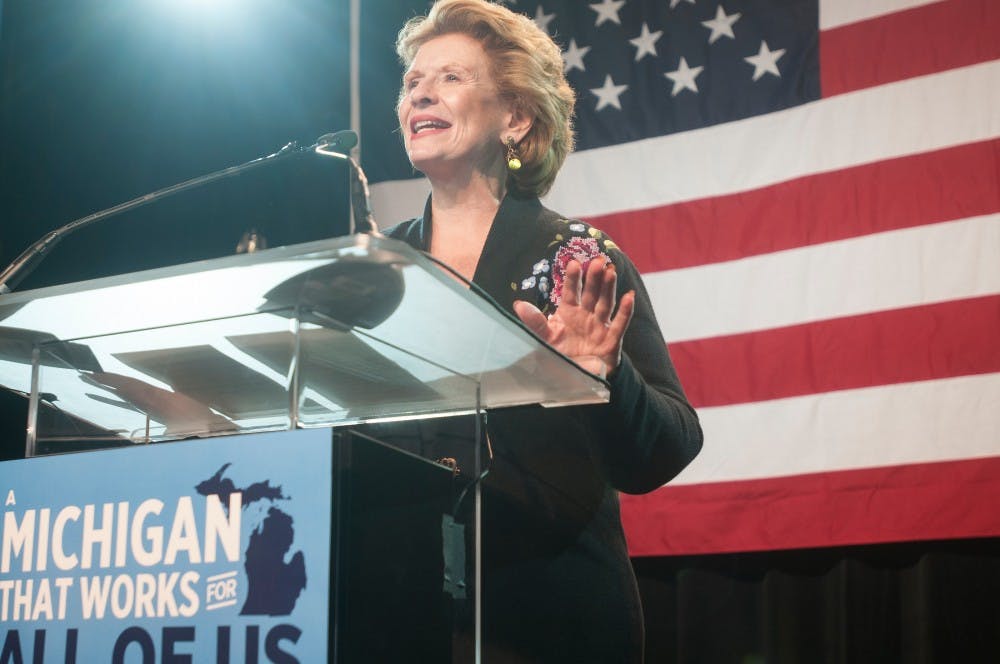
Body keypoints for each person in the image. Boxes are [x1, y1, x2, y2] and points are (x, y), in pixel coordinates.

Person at [374, 1, 703, 661]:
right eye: (413, 82)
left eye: (450, 78)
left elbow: (669, 445)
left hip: (550, 619)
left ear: (516, 118)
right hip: (402, 618)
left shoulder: (575, 260)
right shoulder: (378, 272)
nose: (421, 93)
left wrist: (604, 377)